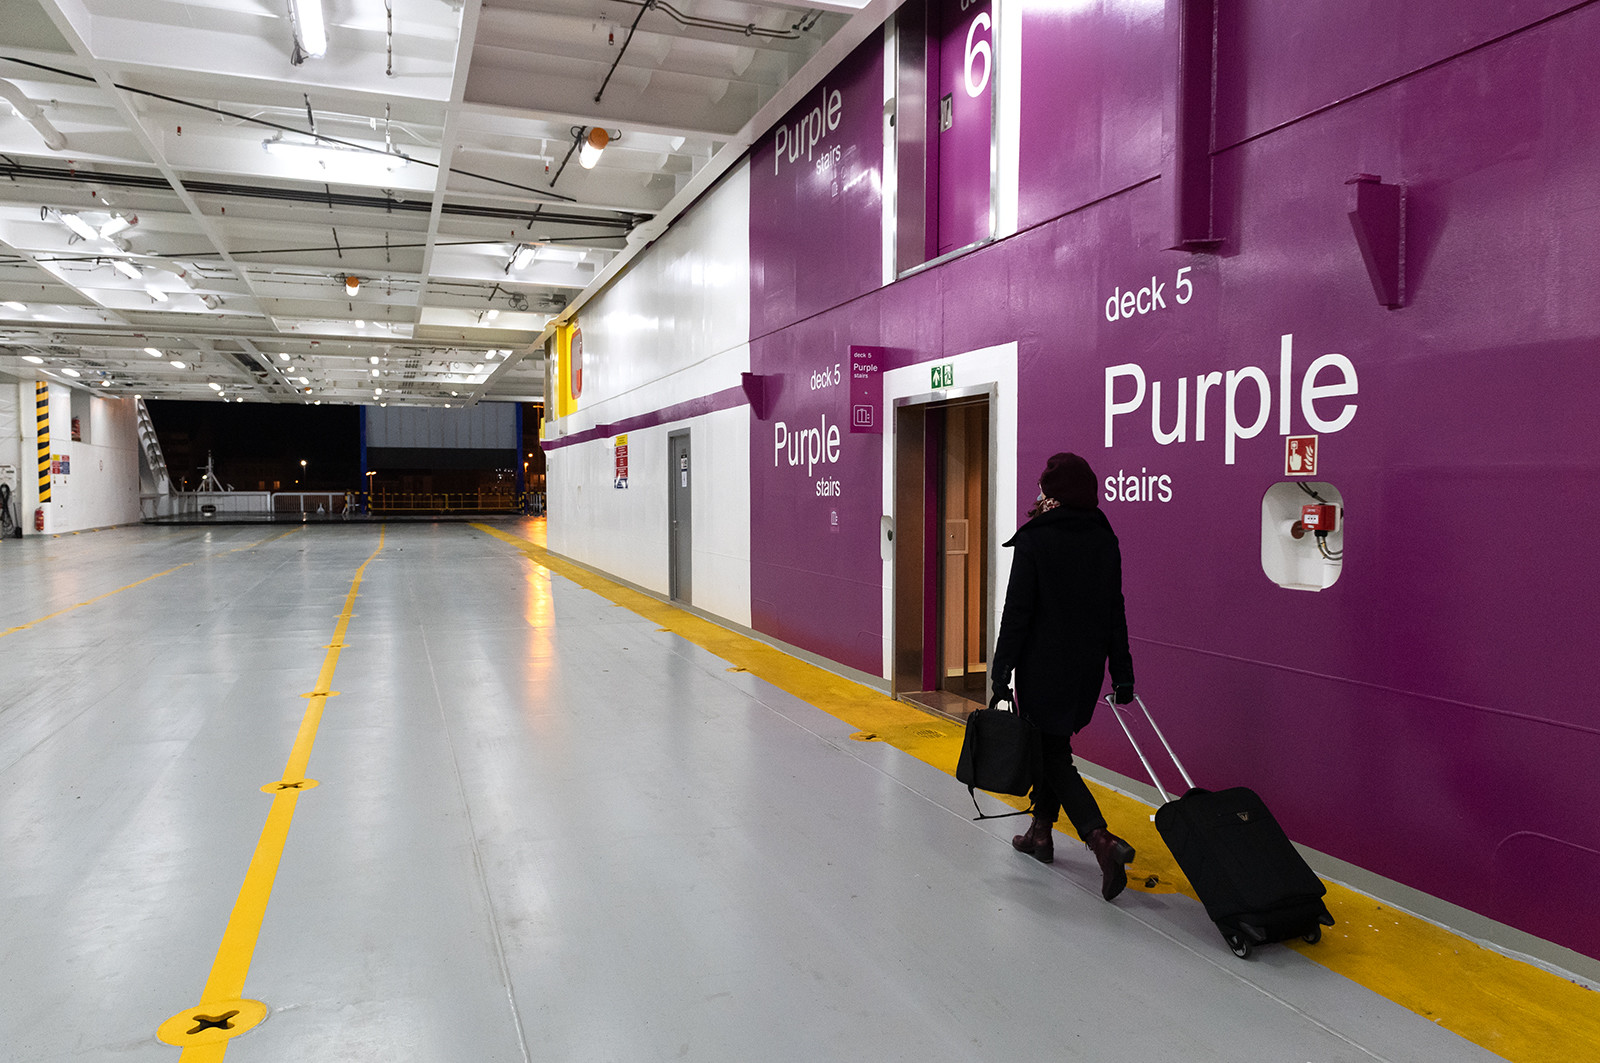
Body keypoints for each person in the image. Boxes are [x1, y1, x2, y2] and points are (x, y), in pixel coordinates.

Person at [989, 452, 1139, 901]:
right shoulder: (1103, 537)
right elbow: (1116, 610)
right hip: (1084, 672)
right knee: (1053, 743)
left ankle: (1100, 840)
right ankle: (1040, 833)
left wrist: (1000, 675)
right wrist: (1123, 671)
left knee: (1054, 757)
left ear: (1052, 492)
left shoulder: (1038, 538)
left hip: (1043, 669)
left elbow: (1018, 612)